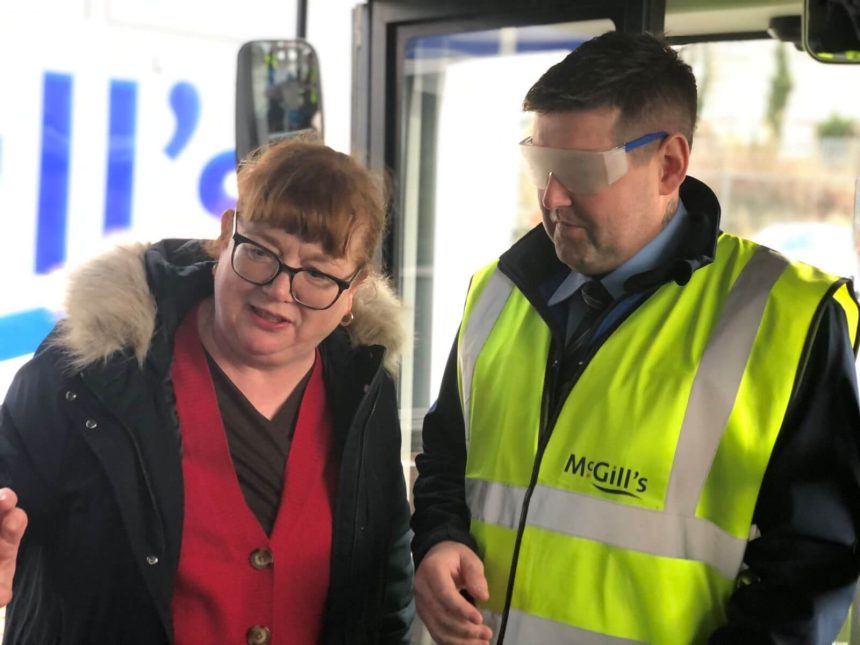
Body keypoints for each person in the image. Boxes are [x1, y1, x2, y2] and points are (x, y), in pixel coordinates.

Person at [410, 30, 860, 645]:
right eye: (540, 165)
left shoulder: (789, 317)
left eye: (578, 171)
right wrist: (439, 540)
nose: (551, 197)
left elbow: (813, 568)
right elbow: (445, 460)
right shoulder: (495, 291)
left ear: (670, 165)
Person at [0, 139, 415, 644]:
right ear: (225, 236)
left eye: (317, 273)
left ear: (353, 289)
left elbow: (384, 590)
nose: (280, 289)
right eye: (261, 252)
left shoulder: (365, 394)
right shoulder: (93, 369)